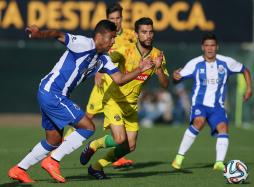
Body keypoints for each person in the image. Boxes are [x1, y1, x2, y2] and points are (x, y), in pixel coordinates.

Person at [7, 20, 154, 183]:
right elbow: (58, 34)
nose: (113, 41)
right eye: (112, 37)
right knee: (88, 127)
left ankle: (19, 169)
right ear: (100, 36)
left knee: (53, 140)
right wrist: (39, 34)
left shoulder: (104, 58)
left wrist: (140, 69)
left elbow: (119, 79)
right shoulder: (83, 43)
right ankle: (53, 160)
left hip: (50, 94)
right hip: (52, 92)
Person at [80, 17, 169, 179]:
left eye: (150, 32)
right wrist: (99, 71)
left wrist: (159, 69)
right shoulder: (125, 50)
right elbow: (105, 59)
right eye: (144, 32)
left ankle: (97, 167)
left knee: (130, 146)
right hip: (114, 99)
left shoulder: (158, 55)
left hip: (132, 105)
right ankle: (94, 145)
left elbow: (165, 84)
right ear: (136, 34)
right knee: (120, 139)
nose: (148, 35)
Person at [64, 2, 137, 168]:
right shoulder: (105, 37)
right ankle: (64, 144)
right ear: (107, 19)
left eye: (118, 18)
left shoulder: (131, 36)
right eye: (112, 18)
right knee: (87, 118)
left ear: (122, 18)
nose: (116, 21)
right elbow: (97, 56)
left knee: (120, 126)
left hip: (120, 86)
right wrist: (98, 72)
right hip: (103, 85)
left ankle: (116, 155)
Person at [171, 33, 252, 171]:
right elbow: (176, 79)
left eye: (212, 45)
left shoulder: (226, 62)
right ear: (202, 47)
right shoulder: (194, 63)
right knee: (199, 122)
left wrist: (249, 88)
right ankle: (179, 157)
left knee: (223, 129)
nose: (210, 48)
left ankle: (219, 163)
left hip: (217, 106)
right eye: (207, 45)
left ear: (217, 47)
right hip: (199, 104)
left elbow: (245, 70)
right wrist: (175, 76)